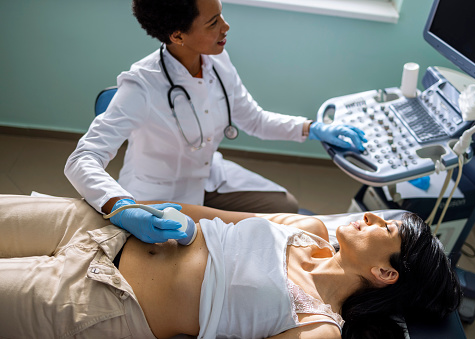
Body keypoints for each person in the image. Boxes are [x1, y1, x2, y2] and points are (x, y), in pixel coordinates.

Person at [64, 0, 367, 243]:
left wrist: (312, 129)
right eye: (213, 23)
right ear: (177, 35)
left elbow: (254, 119)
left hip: (211, 175)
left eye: (221, 15)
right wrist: (120, 206)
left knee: (286, 207)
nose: (226, 26)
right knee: (219, 251)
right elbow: (82, 158)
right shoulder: (141, 86)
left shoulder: (216, 59)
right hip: (162, 194)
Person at [0, 194, 461, 339]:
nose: (373, 216)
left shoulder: (318, 326)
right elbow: (207, 217)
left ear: (386, 273)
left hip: (99, 297)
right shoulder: (310, 229)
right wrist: (136, 208)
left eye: (387, 229)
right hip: (101, 226)